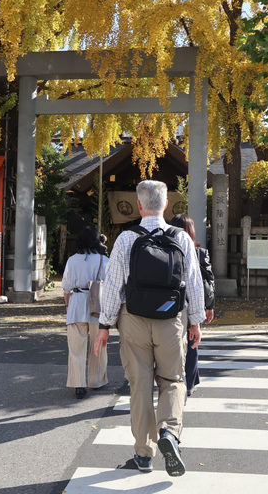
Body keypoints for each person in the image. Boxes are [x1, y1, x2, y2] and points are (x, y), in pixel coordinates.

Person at [94, 180, 211, 477]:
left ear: (140, 204)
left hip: (133, 319)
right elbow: (194, 283)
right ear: (166, 205)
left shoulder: (125, 239)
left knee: (140, 386)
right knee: (173, 380)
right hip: (171, 318)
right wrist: (195, 321)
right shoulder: (182, 238)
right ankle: (169, 433)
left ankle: (143, 454)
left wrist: (104, 324)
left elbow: (112, 286)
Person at [170, 214, 215, 397]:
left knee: (173, 343)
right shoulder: (200, 252)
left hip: (172, 303)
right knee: (192, 343)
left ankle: (176, 380)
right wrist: (209, 305)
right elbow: (208, 280)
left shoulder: (167, 249)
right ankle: (190, 381)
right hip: (194, 302)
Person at [62, 226, 109, 399]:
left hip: (76, 302)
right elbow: (111, 286)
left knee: (76, 348)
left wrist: (68, 306)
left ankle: (78, 384)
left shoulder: (72, 260)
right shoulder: (103, 260)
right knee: (98, 345)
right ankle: (96, 380)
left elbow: (66, 287)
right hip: (97, 304)